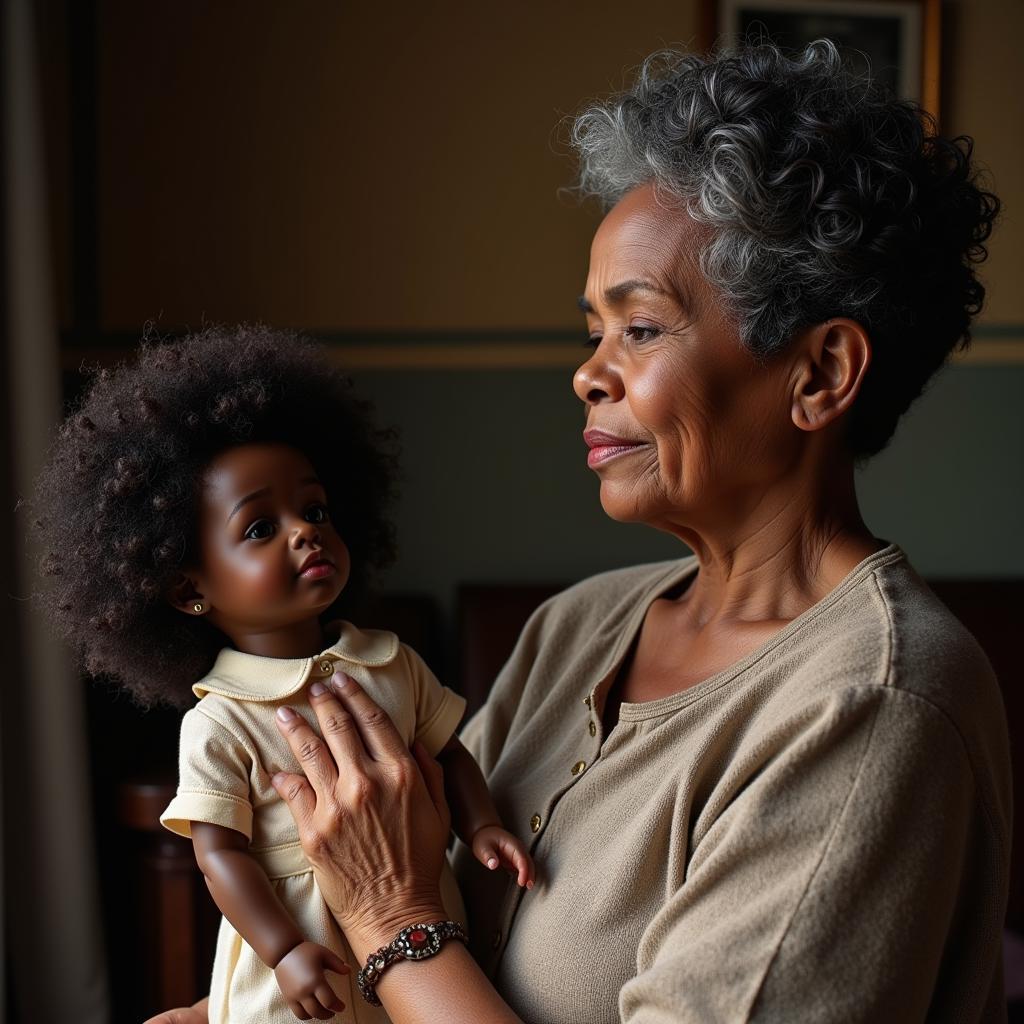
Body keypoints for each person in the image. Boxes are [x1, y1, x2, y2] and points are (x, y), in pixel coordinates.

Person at [150, 40, 1009, 1023]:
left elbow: (393, 913)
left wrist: (391, 918)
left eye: (639, 328)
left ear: (817, 375)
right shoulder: (577, 629)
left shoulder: (869, 708)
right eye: (590, 331)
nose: (588, 375)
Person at [32, 327, 533, 1023]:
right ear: (187, 590)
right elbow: (220, 855)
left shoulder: (390, 660)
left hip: (420, 943)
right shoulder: (221, 719)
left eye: (316, 509)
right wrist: (283, 949)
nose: (304, 530)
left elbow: (449, 754)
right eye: (259, 529)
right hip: (300, 970)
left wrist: (480, 826)